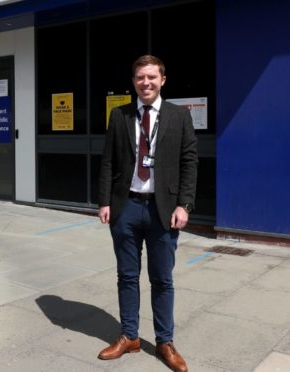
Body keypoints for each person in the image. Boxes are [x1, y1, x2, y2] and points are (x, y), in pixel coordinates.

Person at [97, 55, 197, 372]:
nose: (146, 82)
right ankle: (130, 337)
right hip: (126, 207)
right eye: (140, 77)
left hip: (162, 210)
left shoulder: (179, 116)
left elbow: (189, 162)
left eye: (152, 77)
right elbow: (108, 162)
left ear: (163, 79)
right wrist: (105, 201)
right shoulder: (120, 116)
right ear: (134, 80)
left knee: (161, 279)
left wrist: (185, 204)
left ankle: (164, 342)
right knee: (127, 277)